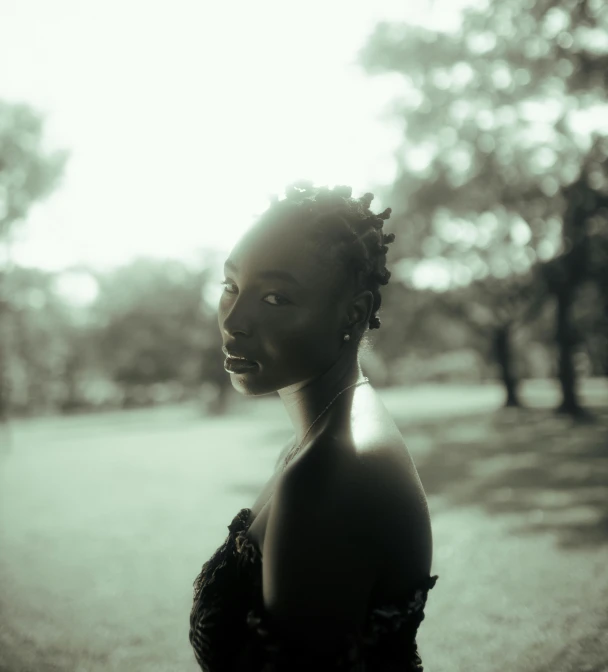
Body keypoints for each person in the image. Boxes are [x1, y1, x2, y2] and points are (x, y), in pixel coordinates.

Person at [189, 181, 439, 671]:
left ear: (354, 313)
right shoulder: (319, 436)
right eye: (231, 286)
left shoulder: (331, 469)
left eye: (276, 298)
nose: (234, 321)